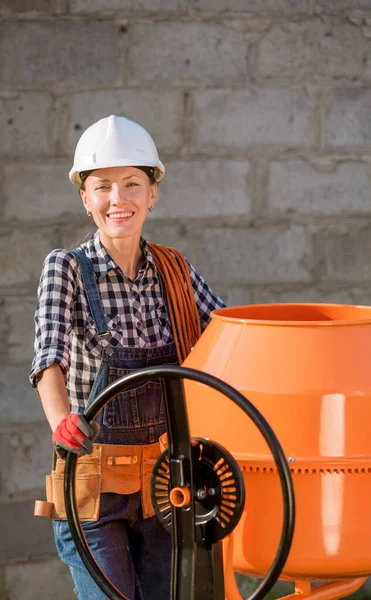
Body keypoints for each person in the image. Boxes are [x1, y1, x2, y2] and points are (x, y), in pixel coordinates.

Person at [30, 115, 225, 600]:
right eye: (103, 187)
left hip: (165, 486)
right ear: (85, 198)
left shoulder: (175, 271)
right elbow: (47, 358)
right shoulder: (68, 269)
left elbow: (229, 336)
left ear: (152, 192)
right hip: (94, 489)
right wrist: (61, 422)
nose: (118, 199)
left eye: (132, 184)